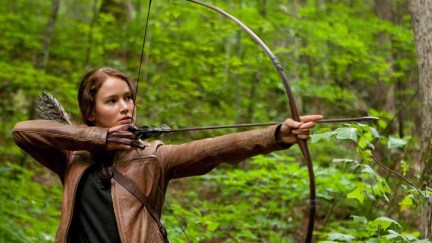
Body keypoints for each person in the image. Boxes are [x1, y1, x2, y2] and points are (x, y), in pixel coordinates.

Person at [12, 67, 323, 243]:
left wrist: (276, 135)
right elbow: (23, 131)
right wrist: (100, 138)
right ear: (91, 113)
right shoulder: (72, 160)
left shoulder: (153, 156)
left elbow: (214, 149)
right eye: (112, 101)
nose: (126, 107)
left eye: (129, 98)